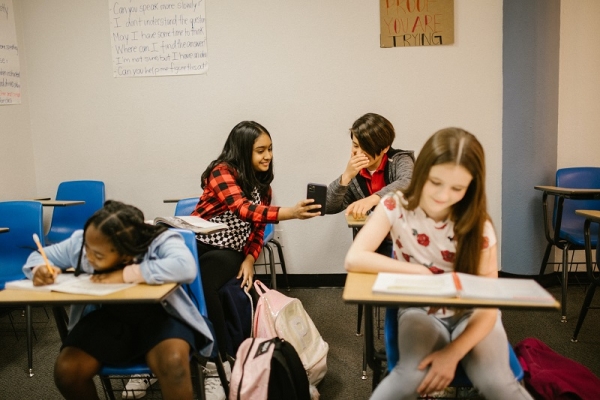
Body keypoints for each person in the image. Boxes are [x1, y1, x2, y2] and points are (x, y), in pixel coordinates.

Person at [345, 128, 533, 400]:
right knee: (408, 377)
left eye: (457, 188)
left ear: (471, 187)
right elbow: (354, 257)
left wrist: (452, 354)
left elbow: (487, 308)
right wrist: (420, 272)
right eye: (435, 182)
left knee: (497, 384)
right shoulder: (395, 206)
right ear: (422, 173)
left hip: (474, 315)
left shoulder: (478, 224)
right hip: (420, 310)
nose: (443, 195)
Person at [22, 200, 213, 400]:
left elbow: (185, 267)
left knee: (174, 365)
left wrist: (125, 274)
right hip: (107, 318)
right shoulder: (85, 243)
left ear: (126, 253)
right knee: (67, 371)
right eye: (86, 248)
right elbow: (38, 257)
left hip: (160, 315)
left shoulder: (157, 240)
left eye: (97, 255)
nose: (87, 257)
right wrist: (40, 269)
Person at [191, 120, 320, 398]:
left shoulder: (264, 186)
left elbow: (258, 229)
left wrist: (249, 258)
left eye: (270, 149)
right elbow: (242, 208)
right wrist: (290, 213)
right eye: (260, 150)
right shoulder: (221, 172)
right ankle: (205, 362)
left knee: (211, 283)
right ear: (242, 151)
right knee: (182, 284)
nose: (268, 156)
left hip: (230, 252)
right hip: (198, 243)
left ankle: (220, 363)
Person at [326, 113, 414, 256]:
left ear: (385, 148)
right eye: (355, 145)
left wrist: (373, 199)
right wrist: (346, 176)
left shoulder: (399, 160)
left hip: (401, 237)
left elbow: (408, 182)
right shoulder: (355, 172)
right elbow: (329, 205)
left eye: (366, 148)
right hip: (370, 239)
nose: (359, 153)